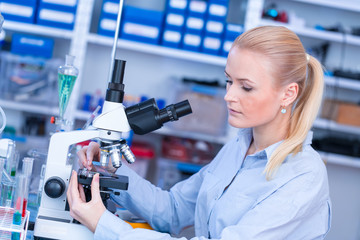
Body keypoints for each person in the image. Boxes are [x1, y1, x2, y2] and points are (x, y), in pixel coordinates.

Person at [67, 26, 331, 239]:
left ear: (288, 94)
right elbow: (172, 211)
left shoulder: (303, 178)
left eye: (246, 87)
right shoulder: (238, 149)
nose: (229, 96)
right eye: (229, 81)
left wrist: (103, 224)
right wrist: (111, 170)